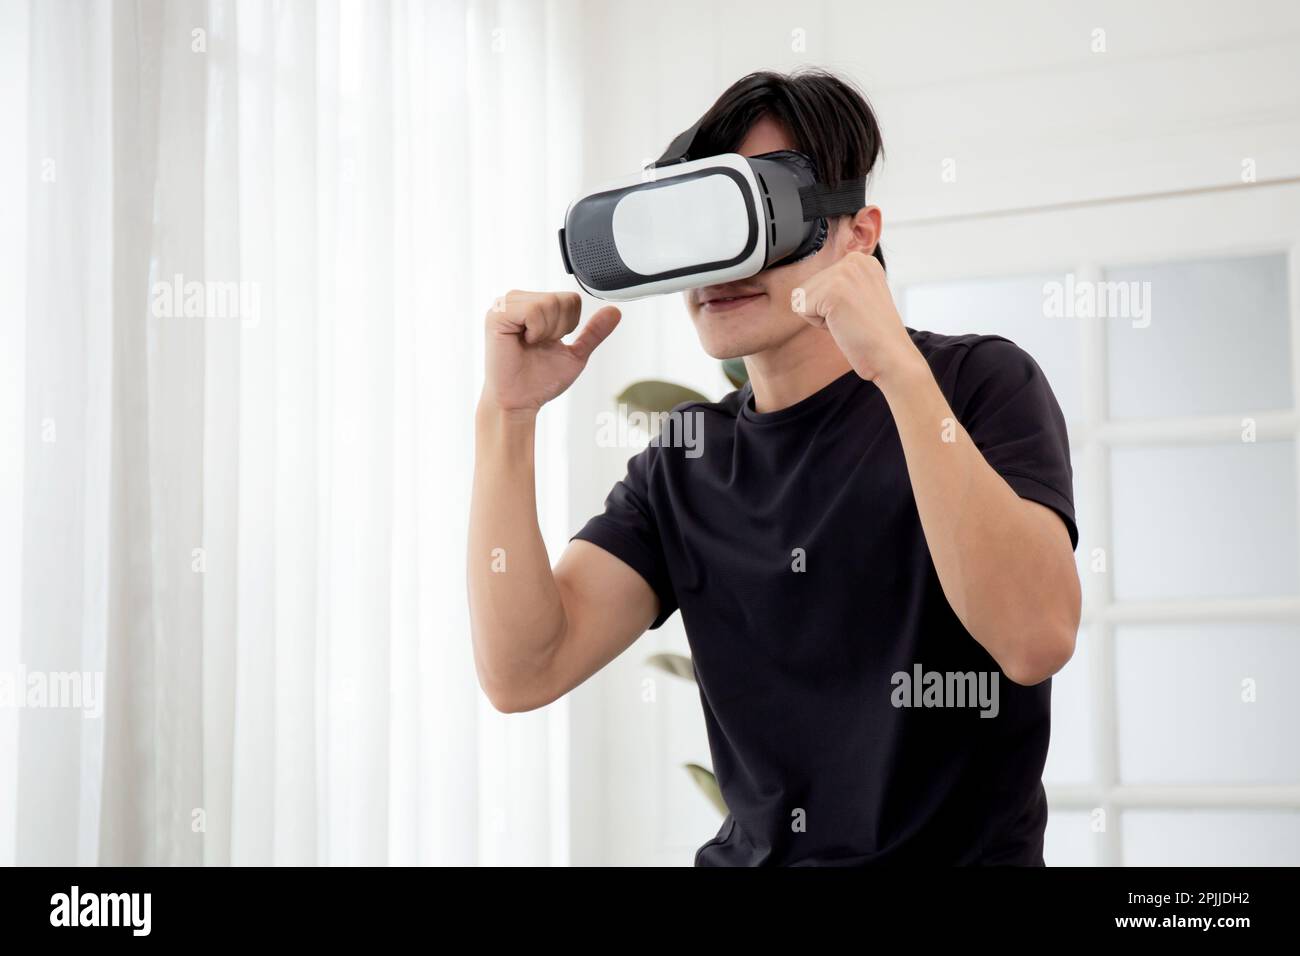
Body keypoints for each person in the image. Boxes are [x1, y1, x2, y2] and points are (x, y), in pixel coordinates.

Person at [468, 69, 1081, 866]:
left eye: (758, 217)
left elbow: (1034, 638)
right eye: (699, 232)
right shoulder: (683, 464)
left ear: (858, 233)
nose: (722, 270)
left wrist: (895, 369)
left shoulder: (978, 386)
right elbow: (524, 670)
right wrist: (506, 418)